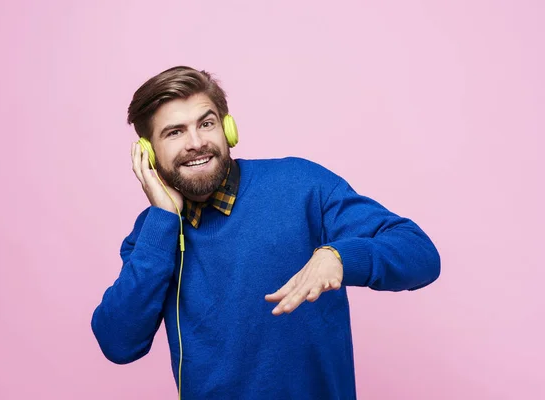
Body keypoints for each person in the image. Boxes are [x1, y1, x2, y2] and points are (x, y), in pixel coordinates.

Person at [91, 66, 441, 400]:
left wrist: (338, 257)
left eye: (207, 123)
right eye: (175, 132)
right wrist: (163, 221)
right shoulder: (153, 234)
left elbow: (419, 253)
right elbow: (118, 343)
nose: (196, 142)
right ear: (148, 153)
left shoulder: (301, 185)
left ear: (228, 129)